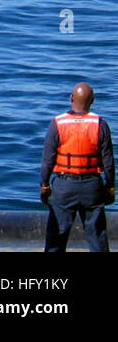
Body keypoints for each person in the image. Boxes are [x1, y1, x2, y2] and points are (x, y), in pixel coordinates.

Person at [41, 81, 114, 253]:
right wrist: (110, 187)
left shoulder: (57, 123)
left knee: (56, 238)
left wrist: (44, 185)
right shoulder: (100, 124)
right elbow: (109, 162)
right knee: (97, 237)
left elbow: (47, 161)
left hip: (64, 187)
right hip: (92, 187)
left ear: (71, 98)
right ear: (92, 100)